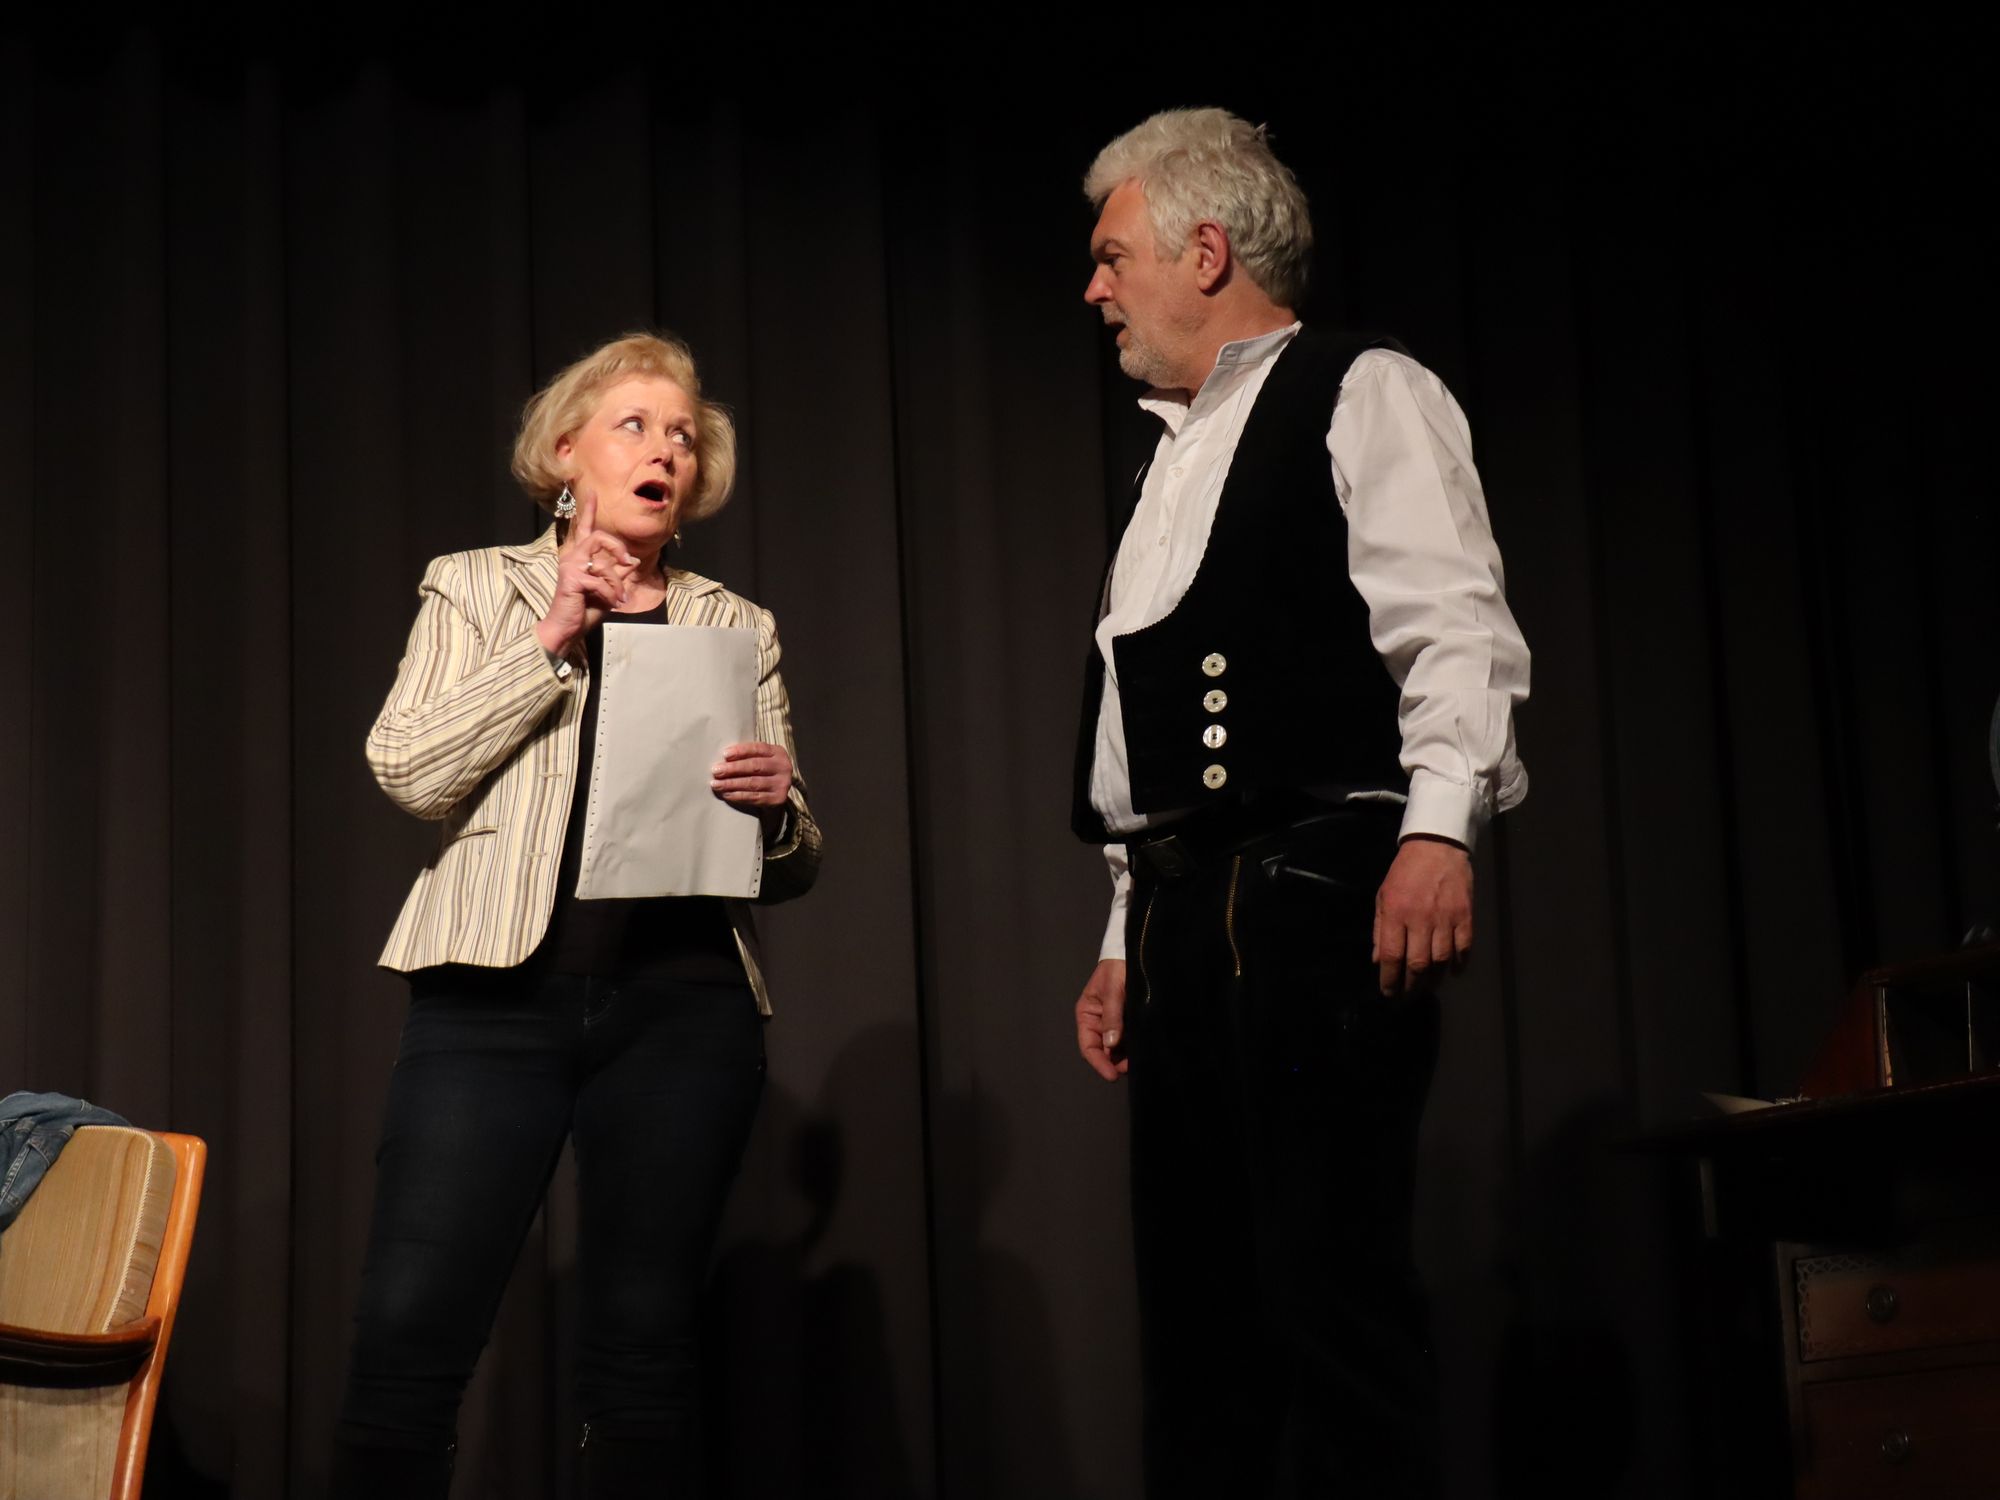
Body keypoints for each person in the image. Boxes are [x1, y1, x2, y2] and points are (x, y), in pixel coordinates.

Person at [1068, 109, 1530, 1498]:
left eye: (1112, 255)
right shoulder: (1168, 454)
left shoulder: (1361, 387)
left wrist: (1436, 829)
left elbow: (1453, 628)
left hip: (1315, 885)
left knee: (1326, 1290)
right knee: (1198, 1317)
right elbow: (1144, 723)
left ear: (1205, 252)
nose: (1094, 288)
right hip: (1185, 913)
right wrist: (1123, 929)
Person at [331, 332, 821, 1499]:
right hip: (491, 1003)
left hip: (682, 1012)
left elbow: (794, 860)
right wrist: (550, 636)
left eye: (682, 435)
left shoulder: (735, 623)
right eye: (633, 425)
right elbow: (408, 769)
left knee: (644, 1346)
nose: (665, 450)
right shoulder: (474, 585)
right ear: (564, 454)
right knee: (411, 1324)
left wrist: (779, 810)